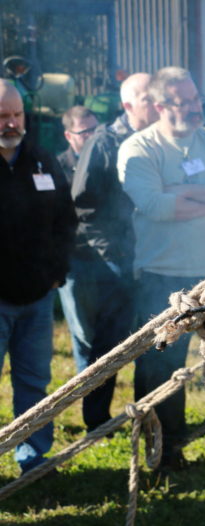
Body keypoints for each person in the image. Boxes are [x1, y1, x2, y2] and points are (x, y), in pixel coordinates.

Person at [118, 67, 205, 471]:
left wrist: (185, 190)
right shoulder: (139, 148)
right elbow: (156, 206)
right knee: (162, 371)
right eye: (183, 102)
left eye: (196, 99)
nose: (195, 108)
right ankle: (166, 454)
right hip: (164, 277)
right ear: (160, 106)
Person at [63, 72, 157, 432]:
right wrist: (115, 257)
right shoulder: (104, 142)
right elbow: (82, 204)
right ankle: (97, 420)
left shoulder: (156, 139)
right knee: (108, 346)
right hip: (113, 264)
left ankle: (149, 415)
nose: (157, 105)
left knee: (152, 343)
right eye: (149, 99)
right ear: (128, 105)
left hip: (151, 259)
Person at [0, 79, 76, 474]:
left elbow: (66, 221)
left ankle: (33, 456)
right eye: (2, 117)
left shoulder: (42, 160)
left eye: (16, 115)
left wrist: (56, 274)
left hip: (37, 297)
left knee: (34, 381)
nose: (11, 124)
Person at [57, 105, 99, 181]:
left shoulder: (110, 160)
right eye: (85, 132)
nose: (92, 135)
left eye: (95, 129)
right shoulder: (59, 167)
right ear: (68, 136)